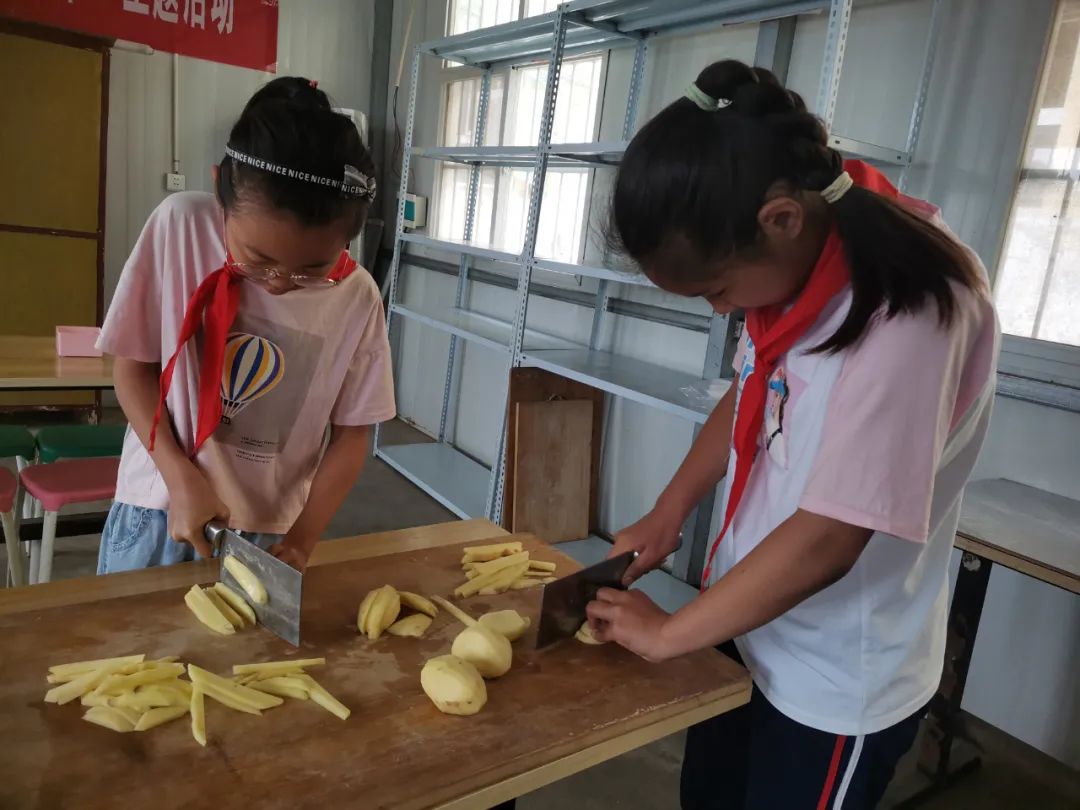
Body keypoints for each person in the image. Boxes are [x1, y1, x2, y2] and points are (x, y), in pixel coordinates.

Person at [586, 60, 999, 809]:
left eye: (716, 289)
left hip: (833, 676)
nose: (719, 312)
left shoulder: (914, 306)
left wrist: (669, 636)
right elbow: (752, 391)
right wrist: (671, 509)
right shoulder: (800, 263)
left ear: (780, 218)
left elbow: (832, 538)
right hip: (748, 626)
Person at [96, 77, 395, 575]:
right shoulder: (180, 225)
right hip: (159, 507)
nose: (279, 282)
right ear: (221, 192)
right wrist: (179, 478)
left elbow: (351, 436)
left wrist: (302, 541)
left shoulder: (358, 296)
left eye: (311, 269)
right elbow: (133, 370)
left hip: (269, 530)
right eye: (259, 259)